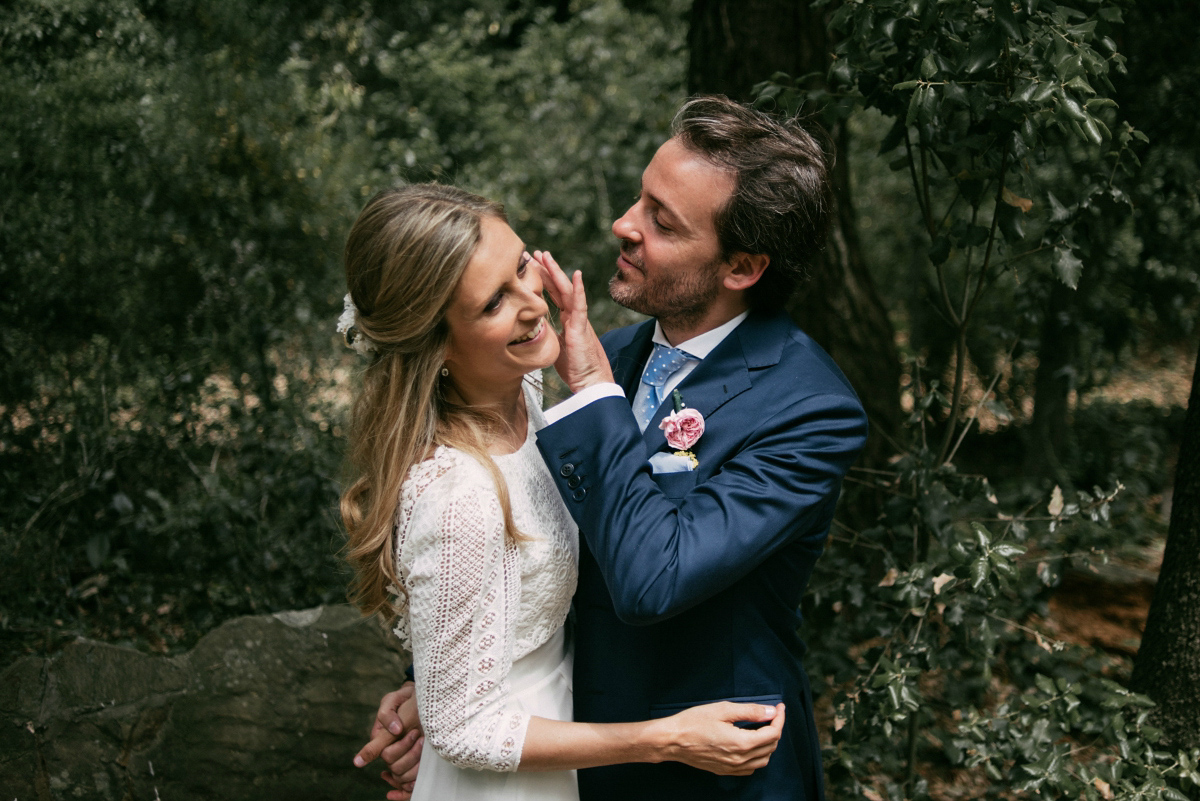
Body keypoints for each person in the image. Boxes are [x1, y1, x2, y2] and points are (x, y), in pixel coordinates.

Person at [361, 95, 868, 800]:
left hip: (711, 774)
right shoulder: (618, 354)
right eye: (641, 197)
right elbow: (530, 545)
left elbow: (650, 578)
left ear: (743, 268)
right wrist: (445, 691)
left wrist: (595, 387)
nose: (622, 224)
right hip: (574, 758)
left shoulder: (807, 409)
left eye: (662, 221)